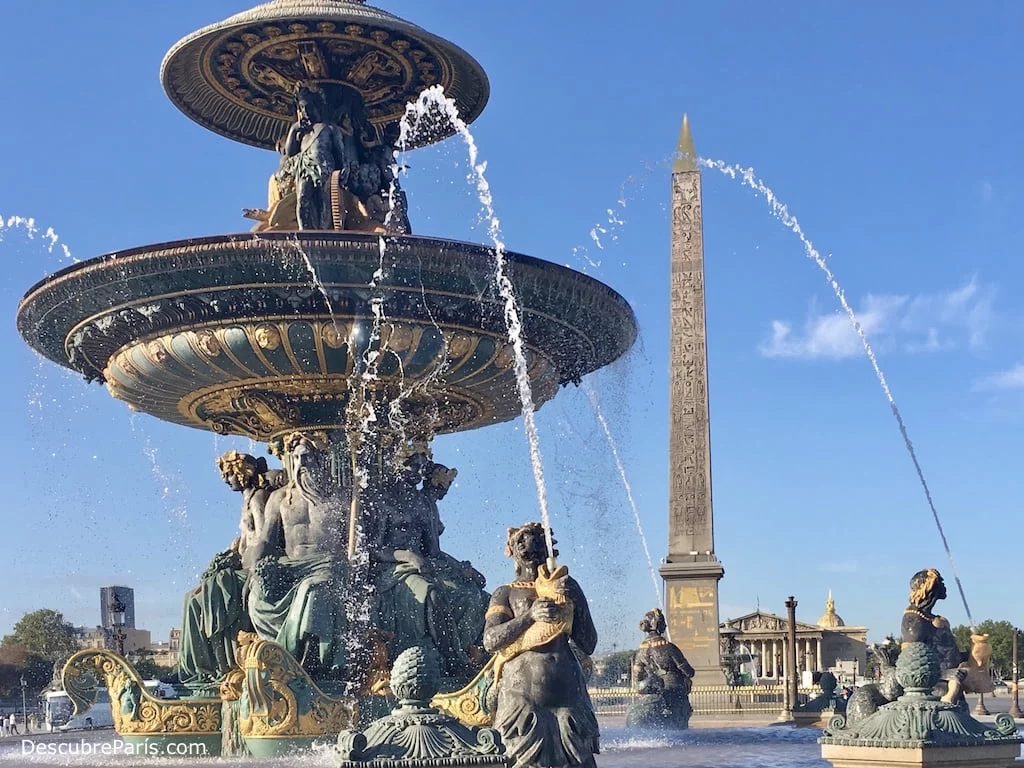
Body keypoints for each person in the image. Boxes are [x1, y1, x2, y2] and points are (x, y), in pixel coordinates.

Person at [484, 523, 599, 768]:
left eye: (537, 538)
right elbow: (490, 640)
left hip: (570, 698)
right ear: (512, 550)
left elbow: (588, 642)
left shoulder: (568, 586)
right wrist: (529, 616)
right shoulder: (505, 593)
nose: (529, 543)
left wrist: (576, 600)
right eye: (521, 540)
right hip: (523, 701)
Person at [284, 84, 352, 230]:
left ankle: (323, 230)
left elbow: (339, 152)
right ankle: (304, 231)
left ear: (317, 106)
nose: (305, 111)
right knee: (302, 198)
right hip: (304, 169)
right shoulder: (301, 131)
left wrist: (342, 169)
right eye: (302, 108)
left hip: (323, 168)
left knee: (323, 200)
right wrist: (294, 129)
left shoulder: (329, 128)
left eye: (308, 107)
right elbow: (289, 153)